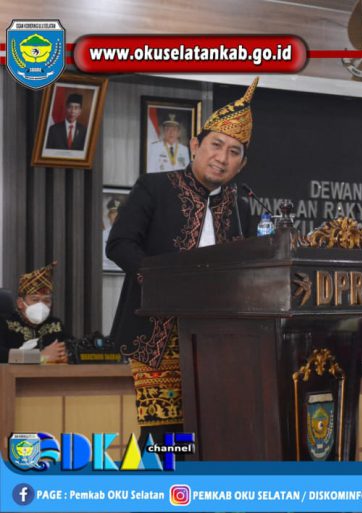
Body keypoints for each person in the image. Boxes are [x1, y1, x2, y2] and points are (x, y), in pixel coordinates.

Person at [107, 78, 257, 445]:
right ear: (195, 145)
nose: (222, 158)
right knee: (164, 437)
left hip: (222, 341)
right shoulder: (155, 187)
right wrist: (163, 282)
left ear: (241, 164)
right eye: (216, 145)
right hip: (158, 335)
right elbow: (120, 244)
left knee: (214, 433)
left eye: (234, 152)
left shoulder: (242, 208)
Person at [0, 262, 69, 364]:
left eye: (46, 301)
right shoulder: (4, 323)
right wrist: (40, 357)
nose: (41, 305)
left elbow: (71, 346)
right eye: (35, 300)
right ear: (20, 303)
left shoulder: (55, 324)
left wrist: (68, 354)